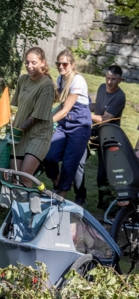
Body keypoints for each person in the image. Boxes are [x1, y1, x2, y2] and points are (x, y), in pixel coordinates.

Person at [74, 65, 126, 208]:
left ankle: (103, 203)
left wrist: (85, 114)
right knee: (78, 161)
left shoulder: (120, 97)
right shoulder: (102, 87)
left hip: (109, 135)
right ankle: (80, 196)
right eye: (108, 78)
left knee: (102, 174)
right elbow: (98, 107)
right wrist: (81, 105)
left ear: (120, 80)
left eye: (113, 79)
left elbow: (105, 118)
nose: (109, 82)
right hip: (94, 131)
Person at [43, 50, 91, 199]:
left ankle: (61, 195)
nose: (61, 66)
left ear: (72, 64)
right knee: (49, 155)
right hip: (65, 125)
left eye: (65, 63)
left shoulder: (78, 81)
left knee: (69, 162)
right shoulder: (60, 79)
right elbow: (57, 102)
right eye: (59, 63)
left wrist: (46, 122)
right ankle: (57, 184)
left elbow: (64, 110)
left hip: (80, 126)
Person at [8, 47, 56, 180]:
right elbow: (13, 106)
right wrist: (8, 127)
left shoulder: (46, 85)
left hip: (38, 136)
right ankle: (17, 201)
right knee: (14, 178)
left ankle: (31, 201)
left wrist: (16, 133)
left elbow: (36, 117)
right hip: (19, 135)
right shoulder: (23, 79)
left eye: (34, 62)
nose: (29, 66)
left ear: (42, 63)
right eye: (27, 62)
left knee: (24, 178)